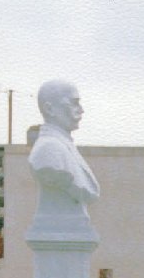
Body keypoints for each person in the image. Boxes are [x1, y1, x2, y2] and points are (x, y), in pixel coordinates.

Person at [28, 80, 100, 209]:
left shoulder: (64, 145)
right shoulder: (48, 149)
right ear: (49, 109)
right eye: (74, 103)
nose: (81, 110)